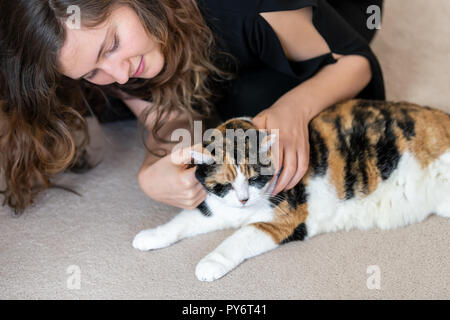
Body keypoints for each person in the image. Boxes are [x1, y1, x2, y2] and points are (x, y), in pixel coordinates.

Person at [0, 0, 385, 214]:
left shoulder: (251, 8)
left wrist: (296, 108)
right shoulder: (119, 67)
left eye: (112, 44)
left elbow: (356, 61)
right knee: (227, 113)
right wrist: (153, 170)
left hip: (327, 12)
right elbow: (166, 114)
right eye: (92, 71)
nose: (117, 75)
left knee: (262, 99)